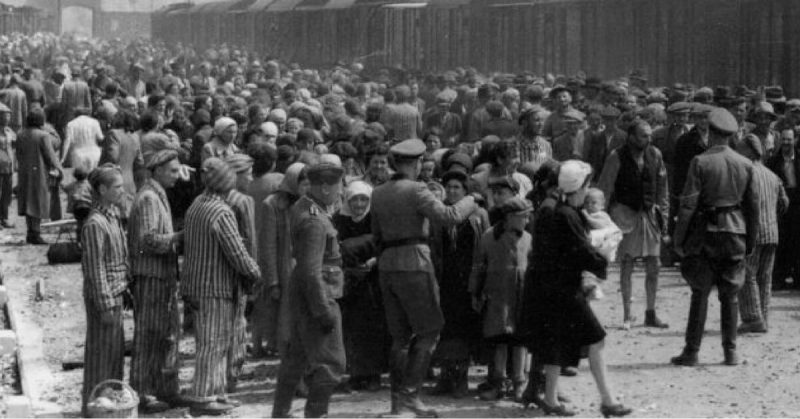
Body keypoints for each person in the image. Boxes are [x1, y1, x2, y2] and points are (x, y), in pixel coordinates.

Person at [371, 138, 478, 417]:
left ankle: (397, 403)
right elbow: (450, 216)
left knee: (400, 337)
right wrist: (471, 199)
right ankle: (410, 397)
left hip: (388, 265)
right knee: (430, 330)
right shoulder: (417, 189)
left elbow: (377, 235)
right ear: (416, 163)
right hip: (415, 264)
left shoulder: (379, 192)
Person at [522, 160, 631, 417]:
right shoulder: (568, 215)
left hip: (550, 289)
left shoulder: (556, 210)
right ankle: (607, 400)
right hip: (565, 291)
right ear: (580, 186)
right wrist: (603, 256)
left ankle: (550, 399)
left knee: (555, 341)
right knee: (597, 339)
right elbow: (583, 253)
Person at [671, 108, 760, 367]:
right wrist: (750, 241)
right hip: (735, 233)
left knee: (700, 293)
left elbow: (687, 206)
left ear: (710, 133)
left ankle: (692, 351)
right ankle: (730, 352)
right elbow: (752, 208)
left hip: (705, 233)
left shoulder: (699, 162)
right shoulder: (745, 164)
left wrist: (679, 238)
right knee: (730, 295)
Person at [181, 157, 261, 415]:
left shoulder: (197, 204)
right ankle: (203, 396)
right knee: (213, 344)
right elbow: (236, 252)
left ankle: (216, 392)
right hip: (215, 287)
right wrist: (255, 271)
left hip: (196, 284)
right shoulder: (221, 211)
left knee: (212, 342)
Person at [271, 162, 347, 418]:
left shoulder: (303, 206)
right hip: (319, 294)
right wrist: (323, 310)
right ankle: (316, 414)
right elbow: (311, 271)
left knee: (296, 357)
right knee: (332, 363)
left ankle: (280, 413)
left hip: (303, 293)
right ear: (325, 188)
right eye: (339, 186)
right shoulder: (315, 220)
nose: (341, 191)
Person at [597, 121, 670, 330]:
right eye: (642, 136)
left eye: (649, 136)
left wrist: (663, 216)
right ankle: (627, 315)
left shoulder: (655, 155)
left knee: (654, 265)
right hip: (625, 215)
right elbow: (605, 188)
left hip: (649, 215)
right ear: (630, 136)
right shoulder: (616, 157)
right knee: (627, 264)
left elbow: (663, 189)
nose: (647, 140)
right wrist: (604, 222)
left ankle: (650, 312)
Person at [128, 149, 184, 412]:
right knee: (148, 336)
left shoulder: (157, 194)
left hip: (162, 276)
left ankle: (164, 387)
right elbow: (148, 240)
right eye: (173, 171)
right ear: (158, 170)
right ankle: (142, 392)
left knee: (166, 335)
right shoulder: (149, 198)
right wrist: (179, 238)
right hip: (150, 277)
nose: (177, 175)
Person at [429, 170, 488, 399]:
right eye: (449, 187)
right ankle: (446, 377)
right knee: (445, 328)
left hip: (468, 280)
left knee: (464, 329)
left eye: (457, 188)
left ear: (466, 192)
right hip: (446, 279)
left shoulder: (478, 214)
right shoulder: (440, 214)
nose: (452, 191)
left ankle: (461, 378)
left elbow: (484, 248)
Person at [470, 197, 532, 401]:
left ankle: (519, 383)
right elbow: (478, 266)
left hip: (521, 296)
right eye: (524, 216)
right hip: (498, 297)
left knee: (520, 340)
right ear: (510, 217)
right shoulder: (489, 237)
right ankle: (498, 382)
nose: (527, 219)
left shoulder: (528, 238)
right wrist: (475, 292)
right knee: (499, 341)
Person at [80, 164, 129, 417]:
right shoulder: (95, 224)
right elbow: (95, 269)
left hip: (116, 293)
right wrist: (106, 304)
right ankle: (95, 408)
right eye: (117, 187)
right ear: (102, 189)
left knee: (113, 355)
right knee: (101, 356)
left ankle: (108, 405)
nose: (122, 191)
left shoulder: (112, 215)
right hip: (105, 298)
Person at [333, 180, 390, 392]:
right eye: (354, 199)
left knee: (374, 326)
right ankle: (356, 373)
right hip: (350, 280)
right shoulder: (339, 219)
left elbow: (384, 244)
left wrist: (373, 261)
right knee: (352, 327)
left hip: (373, 279)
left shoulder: (377, 218)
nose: (358, 204)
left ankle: (374, 375)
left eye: (363, 199)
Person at [734, 135, 788, 333]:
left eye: (740, 148)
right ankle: (763, 317)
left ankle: (752, 318)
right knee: (765, 277)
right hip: (772, 232)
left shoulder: (745, 172)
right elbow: (785, 202)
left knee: (747, 274)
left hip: (752, 232)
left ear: (749, 150)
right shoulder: (772, 175)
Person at [256, 162, 309, 356]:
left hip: (306, 265)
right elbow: (267, 245)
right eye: (304, 184)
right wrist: (272, 280)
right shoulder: (272, 204)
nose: (307, 189)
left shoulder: (312, 204)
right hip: (284, 267)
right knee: (285, 316)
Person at [223, 153, 257, 394]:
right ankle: (233, 372)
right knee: (238, 321)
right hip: (240, 266)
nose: (251, 178)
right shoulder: (243, 200)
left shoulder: (216, 197)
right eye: (248, 174)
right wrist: (253, 271)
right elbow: (251, 239)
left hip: (221, 268)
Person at [16, 108, 62, 244]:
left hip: (24, 171)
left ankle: (30, 231)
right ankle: (36, 233)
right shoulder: (43, 135)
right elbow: (50, 155)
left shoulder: (20, 134)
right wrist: (59, 170)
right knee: (37, 201)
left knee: (27, 201)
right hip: (39, 172)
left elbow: (18, 153)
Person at [766, 129, 800, 290]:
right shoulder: (773, 162)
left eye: (789, 139)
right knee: (782, 241)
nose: (787, 143)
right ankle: (779, 277)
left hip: (798, 204)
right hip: (780, 205)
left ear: (794, 140)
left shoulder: (798, 159)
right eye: (784, 140)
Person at [583, 106, 625, 181]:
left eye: (612, 120)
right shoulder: (597, 136)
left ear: (617, 120)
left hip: (618, 174)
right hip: (601, 175)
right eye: (606, 120)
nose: (609, 123)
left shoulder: (623, 136)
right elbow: (593, 158)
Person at [0, 103, 15, 228]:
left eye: (8, 116)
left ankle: (4, 218)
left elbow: (15, 145)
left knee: (7, 194)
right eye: (5, 116)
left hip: (9, 166)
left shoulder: (9, 131)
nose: (7, 119)